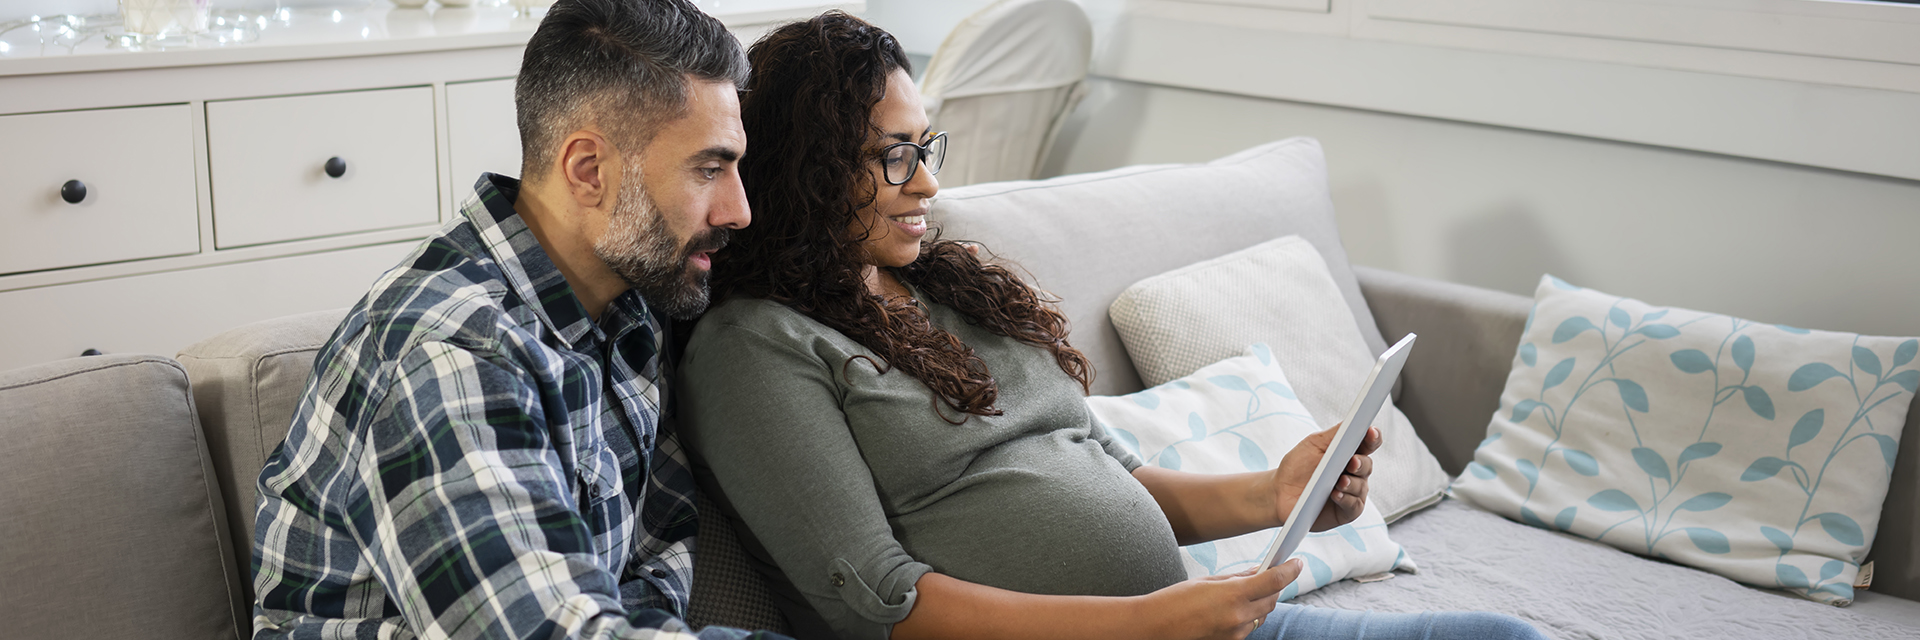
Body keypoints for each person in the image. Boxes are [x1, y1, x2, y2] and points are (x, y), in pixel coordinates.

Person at [677, 12, 1546, 640]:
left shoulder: (947, 291)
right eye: (892, 156)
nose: (928, 184)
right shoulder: (756, 346)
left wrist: (1274, 496)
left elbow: (1114, 475)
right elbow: (881, 602)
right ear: (807, 165)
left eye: (925, 148)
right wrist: (1139, 626)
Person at [248, 1, 778, 638]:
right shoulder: (450, 354)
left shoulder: (630, 308)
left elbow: (648, 568)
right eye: (709, 168)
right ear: (588, 171)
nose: (738, 209)